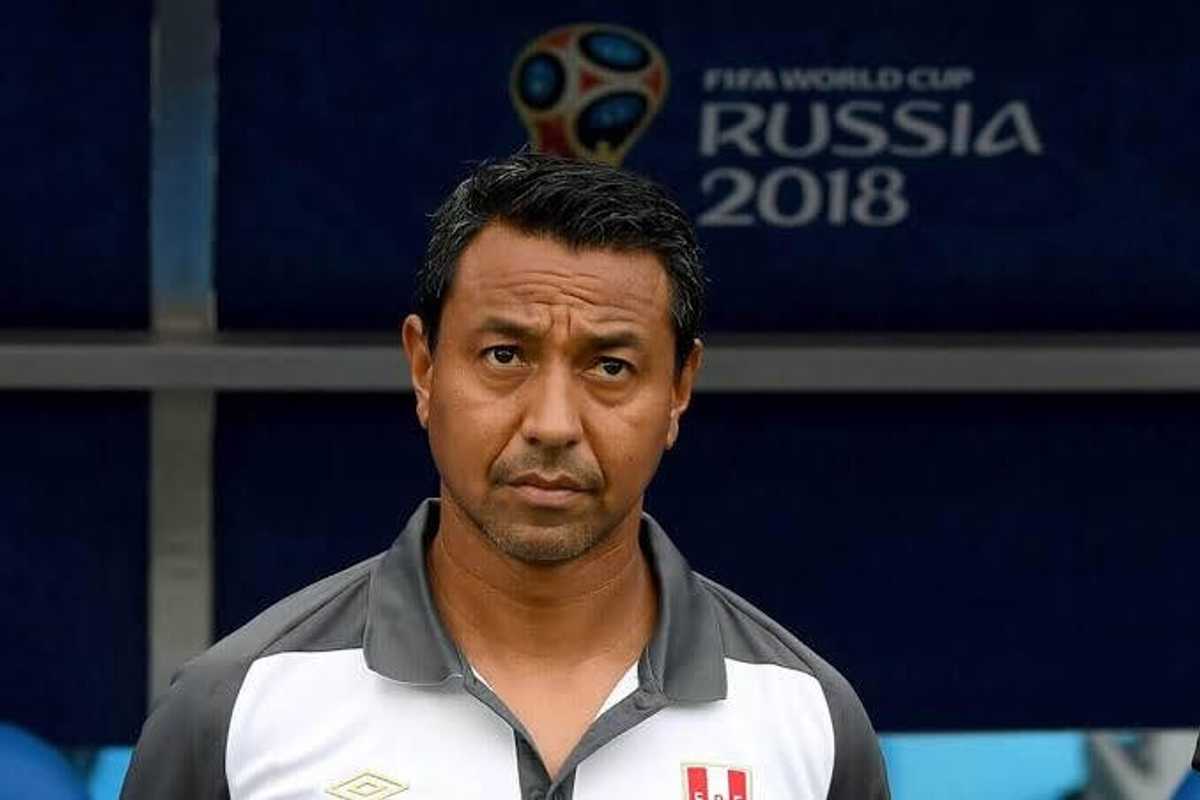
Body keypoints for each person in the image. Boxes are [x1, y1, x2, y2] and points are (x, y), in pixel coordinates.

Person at [120, 152, 890, 800]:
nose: (552, 423)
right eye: (504, 356)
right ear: (423, 367)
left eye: (612, 366)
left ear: (678, 390)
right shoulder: (235, 708)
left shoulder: (808, 721)